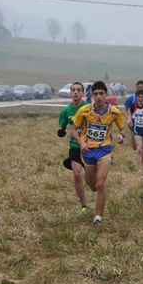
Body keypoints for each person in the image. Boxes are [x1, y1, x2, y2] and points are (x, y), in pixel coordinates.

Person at [70, 81, 125, 225]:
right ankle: (92, 187)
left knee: (100, 183)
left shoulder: (114, 112)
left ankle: (98, 217)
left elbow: (122, 129)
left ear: (106, 95)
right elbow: (73, 130)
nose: (99, 96)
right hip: (88, 152)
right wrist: (81, 143)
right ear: (91, 95)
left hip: (104, 151)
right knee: (92, 185)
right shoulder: (85, 111)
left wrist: (121, 135)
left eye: (101, 93)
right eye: (96, 94)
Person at [58, 82, 89, 211]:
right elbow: (62, 126)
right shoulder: (66, 111)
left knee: (91, 182)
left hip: (89, 146)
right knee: (77, 174)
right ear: (70, 93)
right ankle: (84, 206)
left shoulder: (89, 108)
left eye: (78, 90)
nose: (76, 92)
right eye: (73, 90)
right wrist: (61, 131)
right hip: (75, 146)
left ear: (83, 93)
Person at [123, 80, 143, 150]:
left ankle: (141, 160)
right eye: (138, 87)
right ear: (136, 89)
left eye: (142, 87)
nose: (140, 89)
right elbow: (124, 110)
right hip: (134, 124)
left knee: (141, 147)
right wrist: (129, 119)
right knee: (135, 147)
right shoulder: (132, 98)